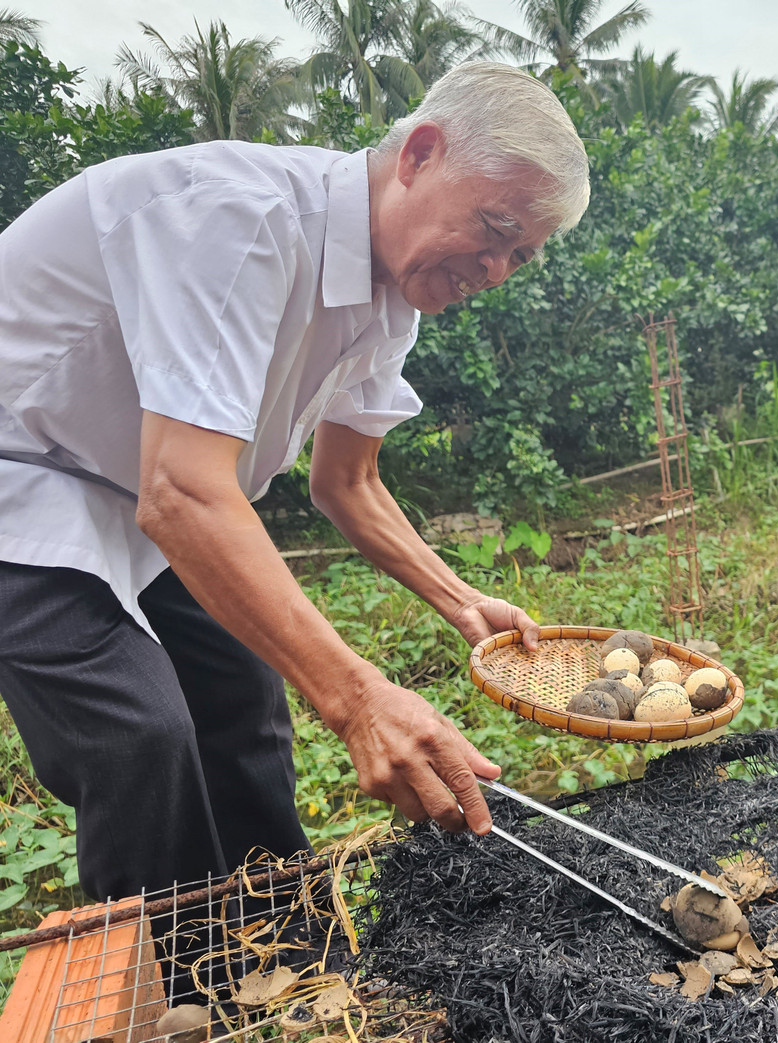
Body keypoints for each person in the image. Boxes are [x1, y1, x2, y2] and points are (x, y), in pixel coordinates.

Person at [0, 62, 590, 908]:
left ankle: (286, 953)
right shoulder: (240, 218)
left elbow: (347, 482)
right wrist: (359, 702)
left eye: (519, 255)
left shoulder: (392, 301)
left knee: (245, 694)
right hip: (21, 473)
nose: (495, 269)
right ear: (420, 153)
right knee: (137, 735)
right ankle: (173, 1002)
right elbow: (185, 492)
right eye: (493, 228)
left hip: (131, 494)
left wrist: (460, 600)